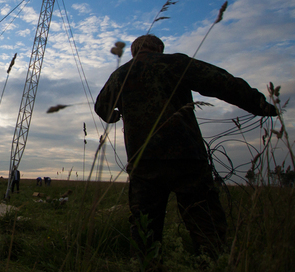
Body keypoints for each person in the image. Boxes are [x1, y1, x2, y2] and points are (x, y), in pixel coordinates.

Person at [94, 35, 277, 261]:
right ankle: (212, 264)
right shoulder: (174, 62)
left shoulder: (120, 74)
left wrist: (116, 115)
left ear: (133, 51)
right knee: (205, 224)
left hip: (144, 163)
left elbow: (102, 108)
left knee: (144, 231)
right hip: (187, 158)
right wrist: (261, 106)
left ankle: (145, 266)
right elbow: (221, 81)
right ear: (159, 48)